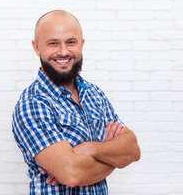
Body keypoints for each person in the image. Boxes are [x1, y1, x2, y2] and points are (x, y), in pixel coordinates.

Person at [12, 10, 141, 194]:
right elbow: (72, 174)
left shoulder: (94, 94)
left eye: (71, 42)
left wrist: (89, 149)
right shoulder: (33, 103)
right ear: (37, 47)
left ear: (81, 44)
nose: (63, 51)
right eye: (53, 43)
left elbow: (132, 151)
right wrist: (113, 158)